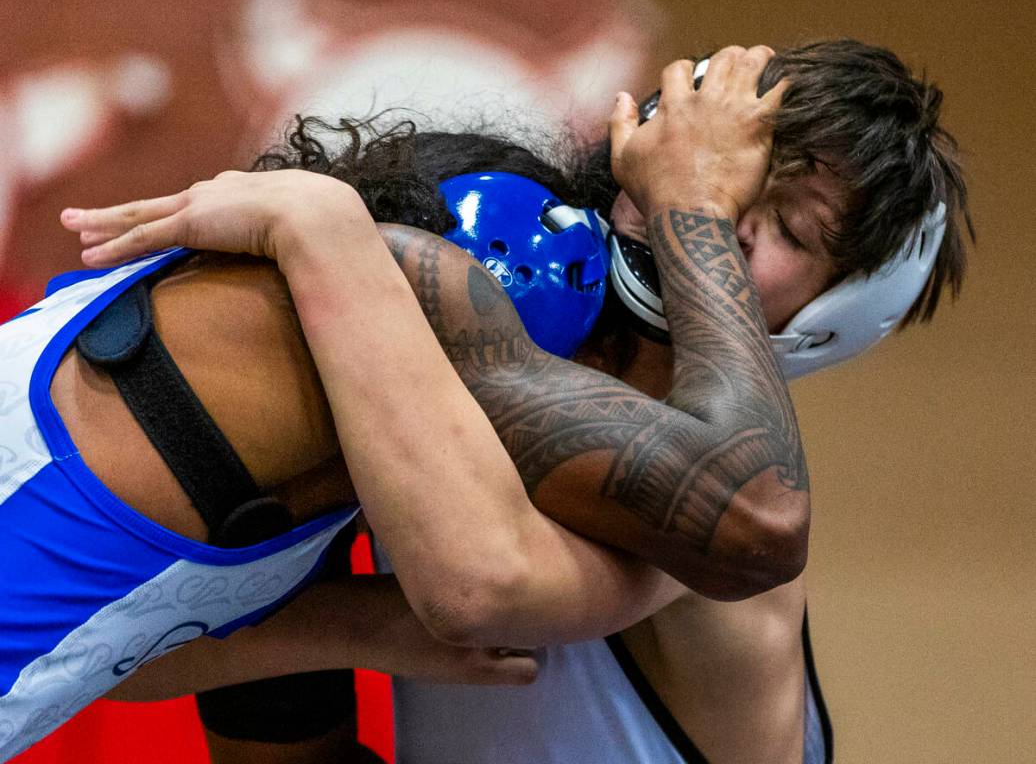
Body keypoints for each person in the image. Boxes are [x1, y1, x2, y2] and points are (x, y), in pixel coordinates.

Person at [32, 39, 970, 763]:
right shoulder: (477, 339)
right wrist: (345, 625)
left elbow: (484, 586)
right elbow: (123, 660)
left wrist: (690, 195)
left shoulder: (719, 526)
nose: (719, 210)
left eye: (779, 226)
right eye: (727, 171)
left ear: (824, 327)